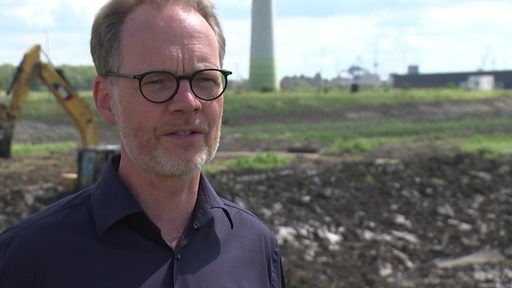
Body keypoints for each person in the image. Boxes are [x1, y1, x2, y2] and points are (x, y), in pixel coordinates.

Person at [0, 0, 286, 286]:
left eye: (205, 79)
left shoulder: (256, 250)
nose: (188, 103)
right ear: (106, 99)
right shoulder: (29, 260)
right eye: (157, 81)